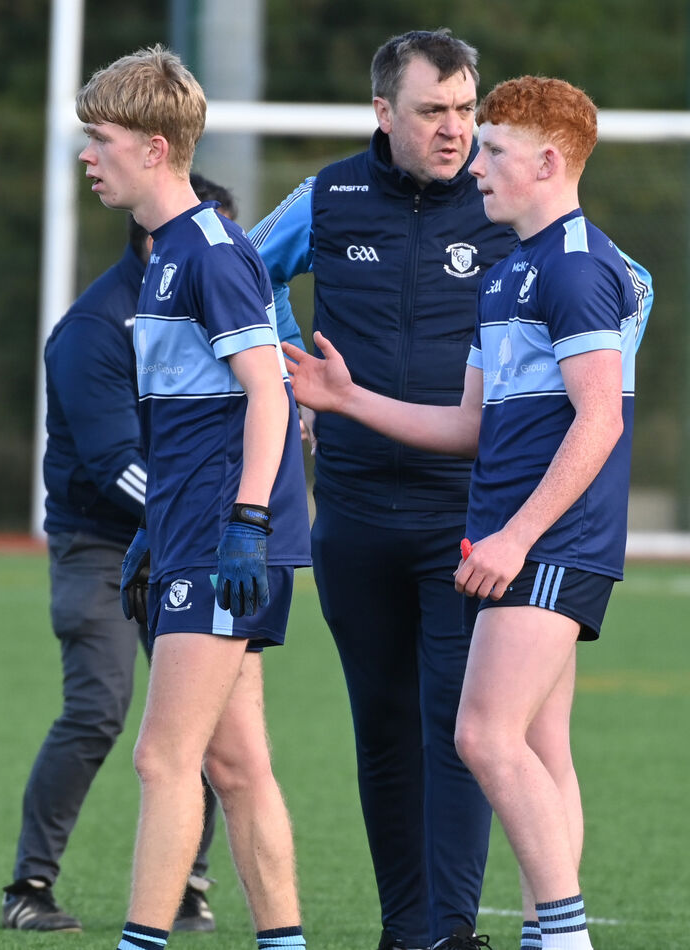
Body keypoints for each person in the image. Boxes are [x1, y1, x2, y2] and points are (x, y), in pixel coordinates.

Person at [283, 74, 650, 950]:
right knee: (537, 747)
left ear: (550, 162)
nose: (473, 162)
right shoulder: (509, 272)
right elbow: (472, 428)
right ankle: (546, 933)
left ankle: (560, 936)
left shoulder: (577, 269)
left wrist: (516, 538)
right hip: (517, 537)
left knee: (482, 737)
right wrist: (348, 399)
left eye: (493, 148)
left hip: (550, 541)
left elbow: (600, 420)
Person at [248, 29, 518, 950]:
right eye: (433, 111)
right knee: (386, 731)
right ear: (383, 113)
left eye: (466, 110)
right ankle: (406, 931)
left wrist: (549, 397)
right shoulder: (330, 195)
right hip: (355, 515)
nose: (456, 131)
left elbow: (622, 286)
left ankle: (450, 932)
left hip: (466, 514)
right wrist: (295, 378)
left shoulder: (502, 189)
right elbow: (248, 271)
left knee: (459, 727)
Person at [75, 45, 311, 950]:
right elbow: (195, 414)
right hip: (191, 529)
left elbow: (267, 392)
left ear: (153, 145)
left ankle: (142, 941)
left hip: (223, 537)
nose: (89, 155)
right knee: (235, 762)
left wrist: (247, 522)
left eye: (100, 137)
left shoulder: (211, 252)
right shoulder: (170, 251)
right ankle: (282, 943)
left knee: (162, 757)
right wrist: (154, 534)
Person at [2, 171, 240, 935]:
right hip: (101, 543)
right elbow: (115, 464)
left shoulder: (214, 301)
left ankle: (188, 884)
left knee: (203, 716)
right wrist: (208, 518)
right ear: (155, 232)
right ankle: (28, 887)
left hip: (180, 535)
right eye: (215, 232)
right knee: (99, 707)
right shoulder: (95, 328)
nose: (230, 250)